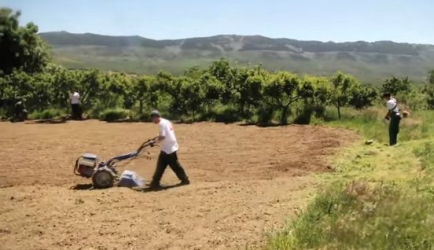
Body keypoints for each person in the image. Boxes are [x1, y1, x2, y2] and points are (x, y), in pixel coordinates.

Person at [149, 110, 190, 190]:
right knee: (165, 166)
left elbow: (163, 136)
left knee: (169, 166)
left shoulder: (162, 124)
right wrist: (155, 137)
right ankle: (155, 183)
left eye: (152, 119)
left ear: (156, 117)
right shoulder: (166, 121)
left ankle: (185, 180)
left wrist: (154, 141)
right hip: (169, 147)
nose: (152, 120)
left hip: (168, 149)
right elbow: (164, 134)